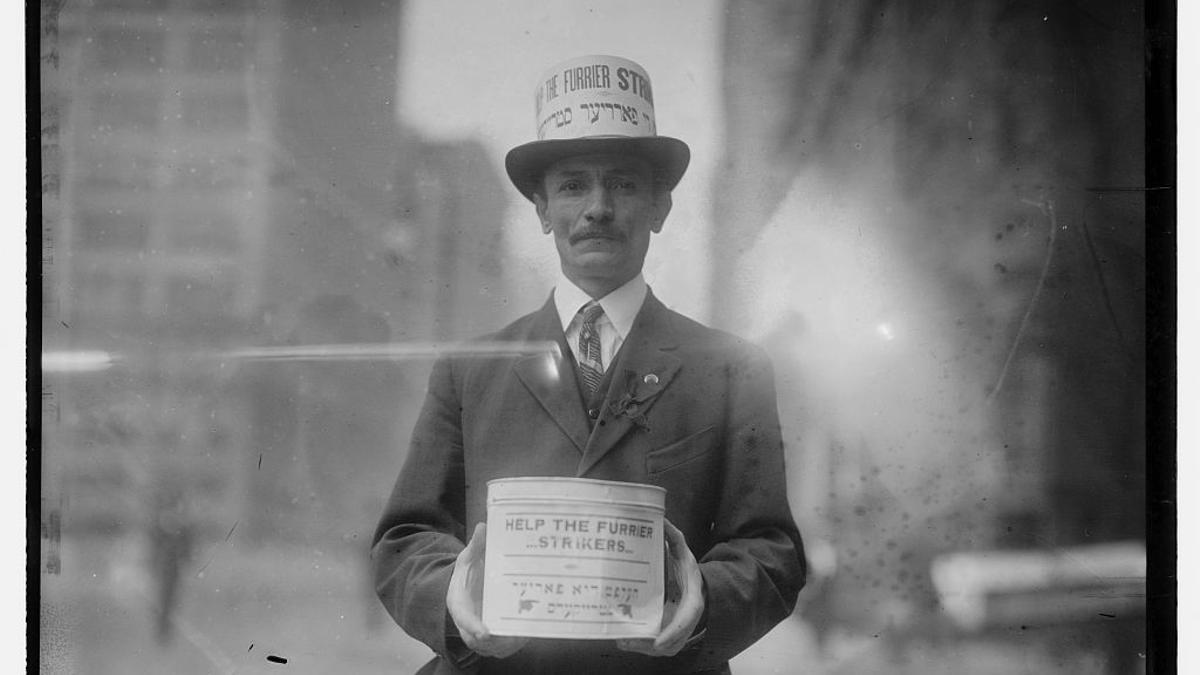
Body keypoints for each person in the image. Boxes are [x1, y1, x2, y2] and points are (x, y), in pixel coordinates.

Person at [372, 55, 805, 674]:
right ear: (544, 211)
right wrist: (455, 598)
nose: (598, 207)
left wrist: (702, 600)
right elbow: (403, 539)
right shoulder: (469, 371)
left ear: (660, 209)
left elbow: (773, 548)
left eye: (624, 184)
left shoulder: (732, 370)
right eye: (573, 185)